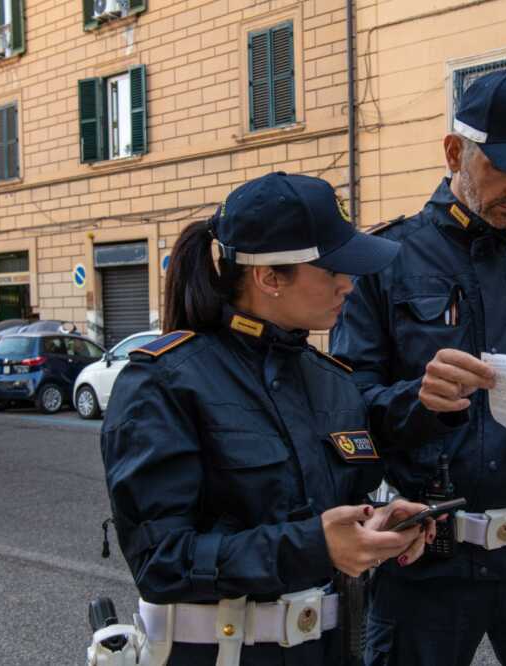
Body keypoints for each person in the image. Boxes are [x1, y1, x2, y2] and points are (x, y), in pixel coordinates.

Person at [331, 70, 506, 665]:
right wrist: (417, 401)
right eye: (501, 168)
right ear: (455, 152)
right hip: (428, 558)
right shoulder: (385, 263)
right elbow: (346, 408)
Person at [100, 172, 436, 666]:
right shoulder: (165, 383)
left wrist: (377, 523)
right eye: (332, 269)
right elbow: (161, 561)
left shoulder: (334, 381)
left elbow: (334, 511)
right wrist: (316, 546)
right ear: (268, 277)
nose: (349, 284)